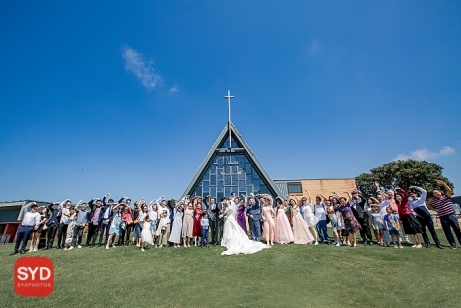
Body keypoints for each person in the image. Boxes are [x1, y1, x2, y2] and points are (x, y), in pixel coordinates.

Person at [428, 180, 461, 249]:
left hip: (451, 215)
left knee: (457, 229)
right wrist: (435, 210)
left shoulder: (446, 197)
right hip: (443, 217)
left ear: (440, 192)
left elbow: (449, 190)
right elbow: (428, 206)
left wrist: (443, 184)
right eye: (434, 193)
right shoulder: (434, 201)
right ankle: (453, 244)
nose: (435, 194)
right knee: (447, 231)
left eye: (436, 192)